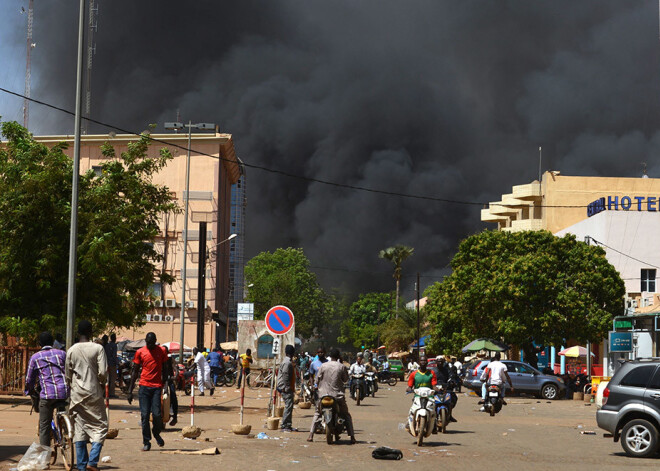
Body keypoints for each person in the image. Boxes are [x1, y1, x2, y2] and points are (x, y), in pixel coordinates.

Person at [66, 320, 108, 471]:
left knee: (80, 428)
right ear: (91, 332)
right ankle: (93, 461)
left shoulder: (71, 350)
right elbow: (103, 372)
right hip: (93, 391)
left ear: (78, 333)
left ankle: (82, 466)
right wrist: (101, 383)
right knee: (101, 426)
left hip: (77, 393)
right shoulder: (98, 348)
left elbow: (68, 374)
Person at [24, 331, 69, 448]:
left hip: (47, 395)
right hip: (64, 391)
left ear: (40, 343)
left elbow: (29, 379)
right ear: (53, 342)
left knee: (44, 425)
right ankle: (65, 430)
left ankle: (45, 458)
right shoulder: (62, 354)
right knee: (61, 406)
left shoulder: (35, 357)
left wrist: (29, 391)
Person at [128, 332, 169, 451]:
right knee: (144, 416)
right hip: (144, 387)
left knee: (157, 414)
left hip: (156, 387)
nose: (150, 345)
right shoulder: (140, 352)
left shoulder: (161, 351)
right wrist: (130, 391)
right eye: (148, 343)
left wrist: (165, 384)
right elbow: (135, 372)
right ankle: (147, 441)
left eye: (152, 343)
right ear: (146, 341)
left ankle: (156, 433)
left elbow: (165, 368)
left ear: (155, 341)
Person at [307, 349, 356, 444]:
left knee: (317, 413)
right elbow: (345, 379)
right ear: (338, 356)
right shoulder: (341, 367)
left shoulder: (323, 366)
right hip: (338, 396)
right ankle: (352, 437)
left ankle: (310, 435)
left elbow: (316, 380)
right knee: (346, 415)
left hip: (323, 395)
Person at [277, 344, 297, 432]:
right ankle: (284, 425)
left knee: (289, 406)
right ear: (292, 353)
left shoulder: (287, 361)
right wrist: (287, 387)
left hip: (286, 387)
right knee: (288, 406)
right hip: (285, 387)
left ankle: (288, 425)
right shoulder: (287, 363)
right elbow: (285, 375)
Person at [162, 345, 179, 426]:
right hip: (160, 381)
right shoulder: (158, 358)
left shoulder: (169, 359)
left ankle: (175, 417)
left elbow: (175, 367)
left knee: (173, 396)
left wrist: (175, 376)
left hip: (169, 380)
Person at [103, 333, 118, 398]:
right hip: (112, 364)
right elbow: (114, 356)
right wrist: (117, 363)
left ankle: (105, 392)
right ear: (114, 338)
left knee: (107, 379)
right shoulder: (114, 345)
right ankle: (112, 393)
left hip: (106, 364)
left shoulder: (107, 345)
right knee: (112, 379)